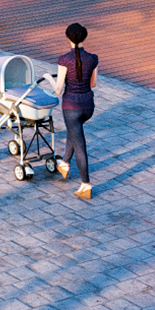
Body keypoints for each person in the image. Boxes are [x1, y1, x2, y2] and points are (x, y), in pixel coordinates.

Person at [44, 22, 98, 202]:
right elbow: (93, 84)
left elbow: (58, 90)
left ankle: (85, 184)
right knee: (74, 133)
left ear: (68, 38)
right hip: (88, 106)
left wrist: (47, 79)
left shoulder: (64, 59)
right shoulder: (93, 58)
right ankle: (65, 163)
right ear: (84, 38)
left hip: (71, 107)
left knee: (79, 144)